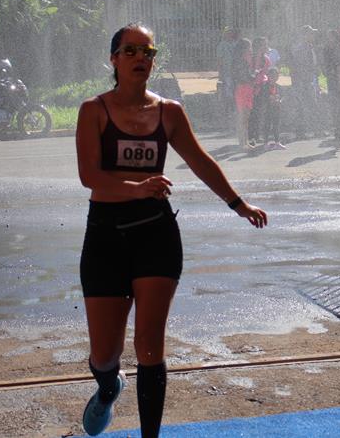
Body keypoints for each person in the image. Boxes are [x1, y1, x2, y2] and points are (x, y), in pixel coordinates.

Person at [75, 24, 268, 437]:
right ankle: (108, 388)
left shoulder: (169, 112)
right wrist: (137, 186)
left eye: (148, 51)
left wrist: (238, 204)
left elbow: (200, 161)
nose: (141, 58)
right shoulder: (94, 110)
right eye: (131, 51)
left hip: (155, 234)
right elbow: (90, 176)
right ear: (113, 59)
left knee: (148, 343)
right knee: (104, 354)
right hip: (106, 235)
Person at [289, 25, 321, 139]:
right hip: (302, 81)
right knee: (302, 105)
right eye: (311, 33)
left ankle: (315, 129)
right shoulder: (300, 48)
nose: (313, 36)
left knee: (312, 104)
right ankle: (302, 131)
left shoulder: (310, 47)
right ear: (305, 35)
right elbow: (299, 65)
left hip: (309, 79)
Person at [231, 38, 256, 150]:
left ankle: (245, 142)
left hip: (247, 88)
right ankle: (242, 143)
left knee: (246, 117)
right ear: (244, 48)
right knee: (243, 116)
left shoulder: (246, 59)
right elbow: (243, 76)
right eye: (249, 46)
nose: (251, 49)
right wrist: (253, 76)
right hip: (242, 88)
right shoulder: (240, 60)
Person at [263, 67, 286, 149]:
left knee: (276, 125)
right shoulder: (264, 86)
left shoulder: (279, 86)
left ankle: (277, 142)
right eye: (272, 75)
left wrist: (280, 101)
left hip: (277, 108)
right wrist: (269, 99)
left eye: (276, 76)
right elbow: (262, 97)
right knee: (267, 125)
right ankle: (265, 143)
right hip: (268, 109)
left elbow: (283, 96)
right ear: (268, 76)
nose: (273, 77)